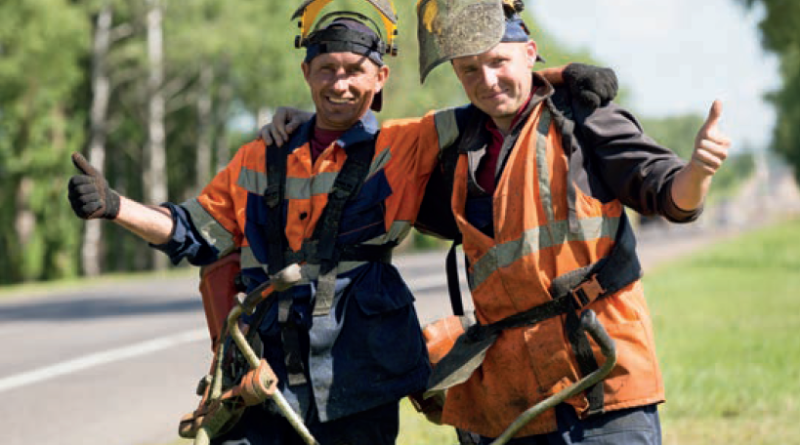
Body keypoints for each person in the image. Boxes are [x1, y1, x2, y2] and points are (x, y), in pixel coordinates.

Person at [67, 2, 616, 444]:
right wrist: (115, 206)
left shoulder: (408, 141)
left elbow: (498, 93)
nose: (340, 84)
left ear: (379, 77)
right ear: (306, 72)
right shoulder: (258, 157)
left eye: (354, 72)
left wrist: (560, 74)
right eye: (326, 70)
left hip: (359, 375)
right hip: (262, 374)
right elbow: (195, 232)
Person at [265, 0, 732, 443]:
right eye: (470, 70)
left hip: (600, 385)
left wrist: (699, 171)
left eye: (498, 62)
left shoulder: (583, 120)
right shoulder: (458, 144)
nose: (487, 80)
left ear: (529, 53)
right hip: (511, 397)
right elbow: (384, 145)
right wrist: (317, 123)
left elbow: (671, 196)